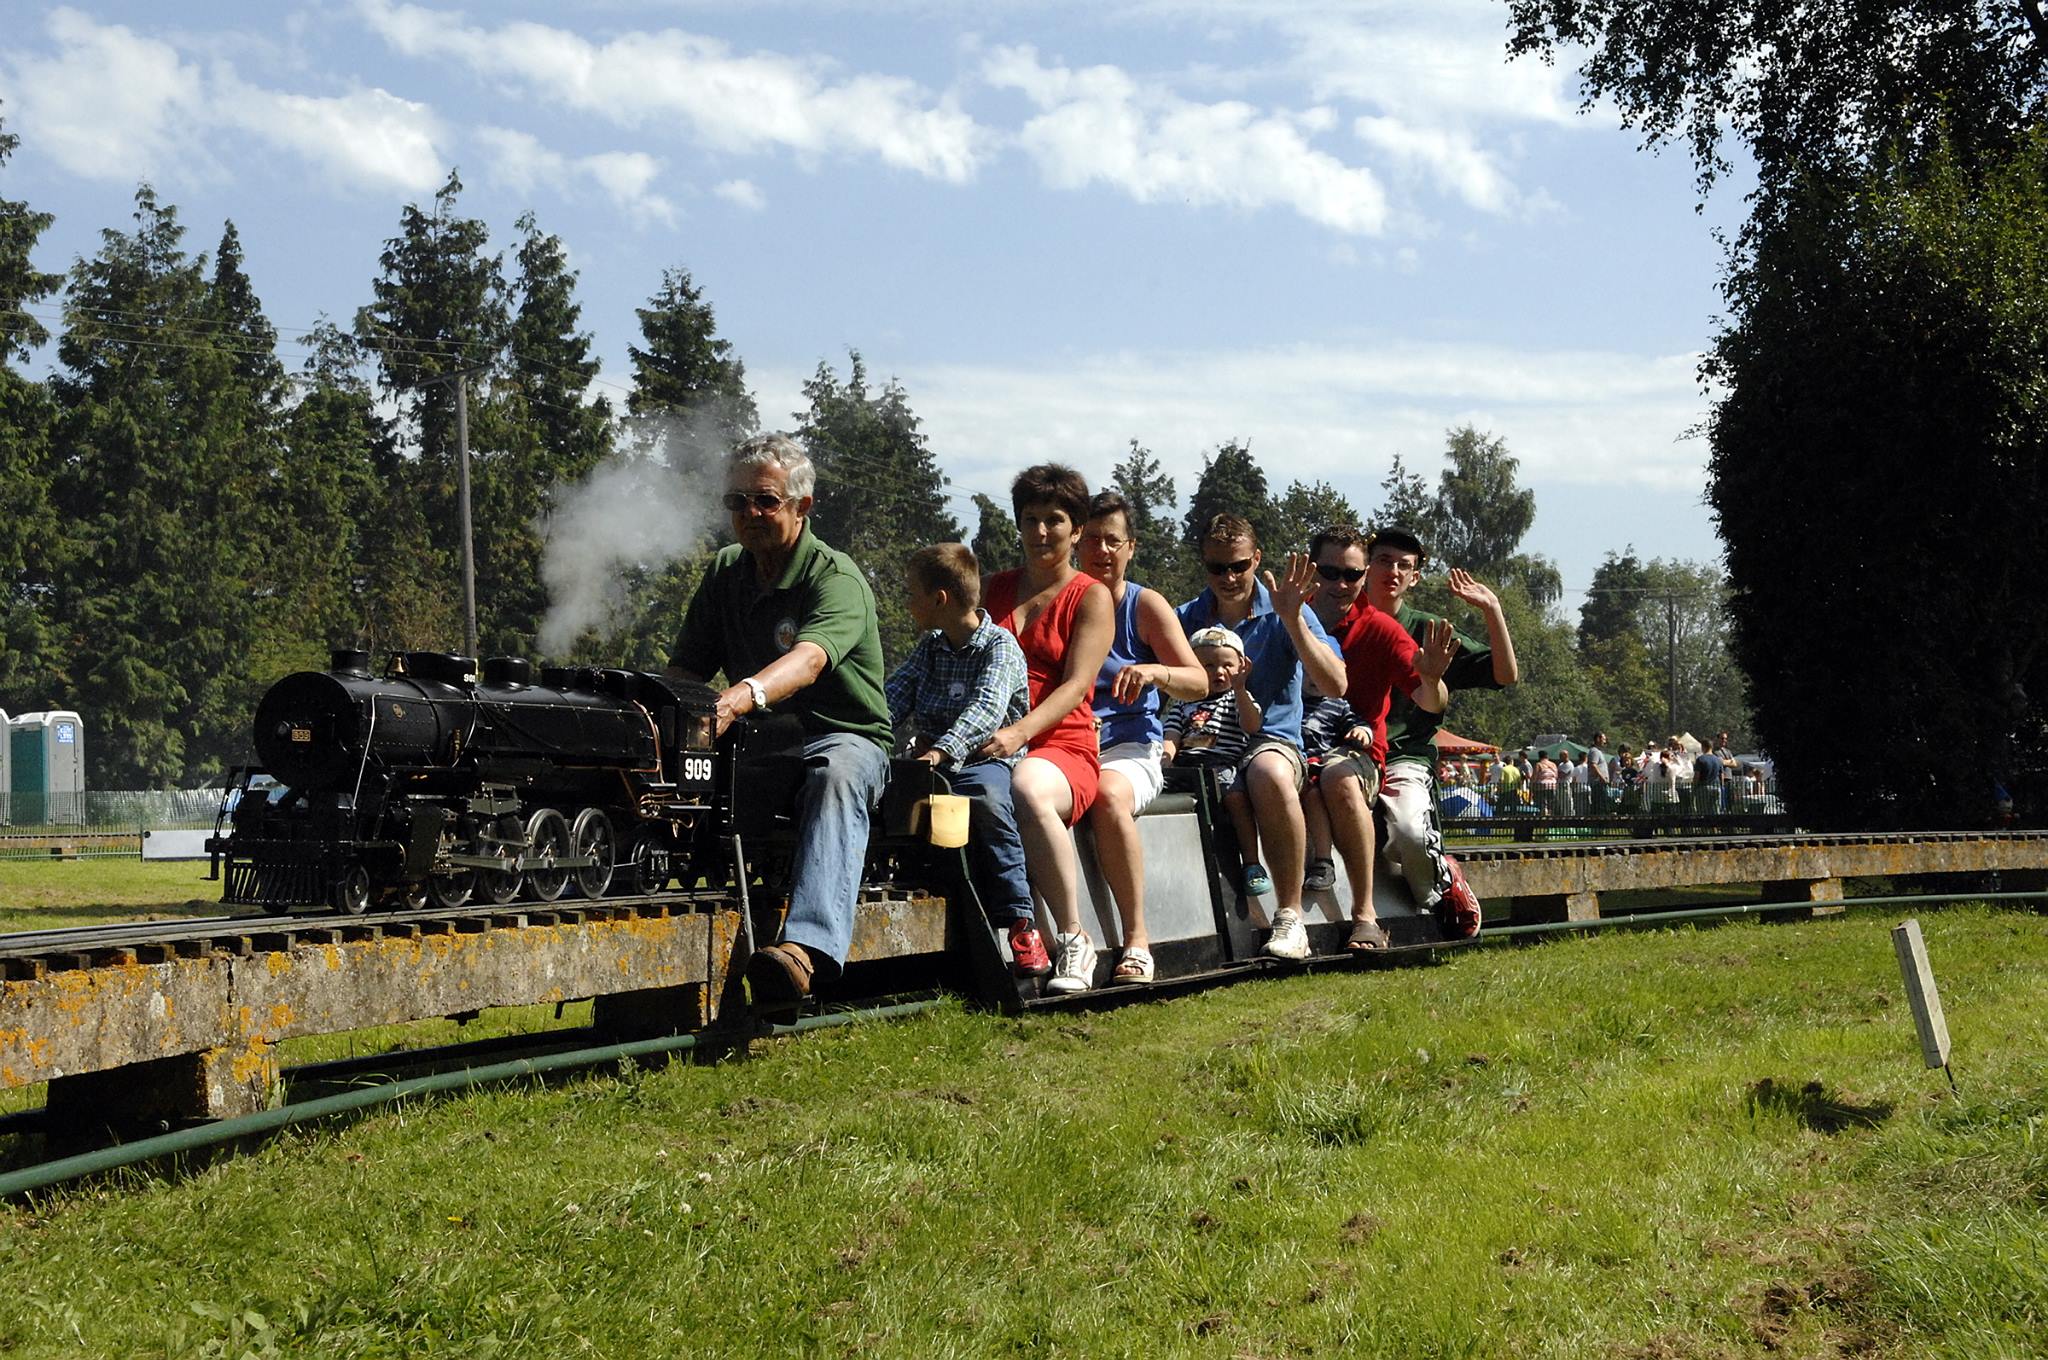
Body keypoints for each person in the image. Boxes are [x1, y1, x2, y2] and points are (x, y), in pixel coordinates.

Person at [668, 433, 893, 1014]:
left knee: (834, 775)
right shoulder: (725, 571)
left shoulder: (835, 577)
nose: (750, 515)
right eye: (737, 503)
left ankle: (804, 951)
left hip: (841, 735)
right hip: (759, 740)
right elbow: (686, 670)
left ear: (803, 506)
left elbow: (811, 658)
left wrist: (739, 697)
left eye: (765, 501)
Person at [886, 543, 1049, 978]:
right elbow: (892, 698)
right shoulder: (929, 649)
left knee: (990, 803)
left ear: (939, 600)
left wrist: (940, 752)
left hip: (983, 761)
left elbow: (984, 710)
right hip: (931, 760)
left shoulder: (1000, 648)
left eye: (911, 593)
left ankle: (1021, 923)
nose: (907, 602)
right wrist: (864, 730)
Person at [982, 465, 1113, 994]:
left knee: (1027, 787)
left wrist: (1018, 734)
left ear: (1077, 529)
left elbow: (1077, 686)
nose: (1040, 532)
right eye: (1030, 519)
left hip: (1063, 747)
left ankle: (1076, 938)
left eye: (1054, 521)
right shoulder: (993, 589)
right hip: (991, 742)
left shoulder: (1091, 597)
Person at [1353, 524, 1517, 938]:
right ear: (1366, 566)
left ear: (1415, 576)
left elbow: (1505, 674)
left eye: (1403, 565)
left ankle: (1442, 882)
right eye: (1383, 560)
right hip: (1347, 752)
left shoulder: (1429, 630)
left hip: (1403, 756)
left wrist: (1492, 610)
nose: (1392, 571)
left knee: (1408, 828)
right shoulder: (1338, 619)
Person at [1078, 493, 1208, 984]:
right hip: (1066, 744)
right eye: (1092, 539)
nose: (1102, 549)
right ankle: (1060, 940)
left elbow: (1198, 680)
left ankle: (1136, 939)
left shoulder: (1144, 605)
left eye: (1113, 540)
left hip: (1130, 747)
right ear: (1076, 544)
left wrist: (1156, 671)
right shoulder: (1055, 603)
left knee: (1107, 795)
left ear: (1130, 548)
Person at [1161, 627, 1268, 892]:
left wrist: (1241, 689)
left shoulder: (1236, 698)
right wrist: (1165, 759)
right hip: (1187, 766)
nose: (1218, 672)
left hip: (1222, 765)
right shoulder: (1183, 702)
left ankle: (1252, 862)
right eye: (1207, 666)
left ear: (1241, 667)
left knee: (1235, 797)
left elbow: (1252, 724)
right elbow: (1172, 734)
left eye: (1226, 666)